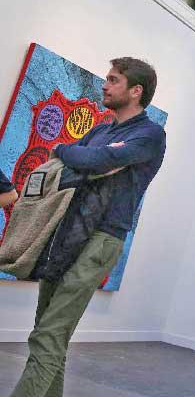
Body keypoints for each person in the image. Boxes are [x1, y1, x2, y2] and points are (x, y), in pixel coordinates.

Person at [10, 57, 166, 397]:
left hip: (101, 238)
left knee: (49, 335)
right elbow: (74, 160)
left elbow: (95, 160)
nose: (105, 86)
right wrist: (76, 154)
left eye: (113, 80)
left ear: (136, 91)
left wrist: (81, 155)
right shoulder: (100, 131)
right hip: (66, 232)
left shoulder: (150, 134)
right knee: (49, 333)